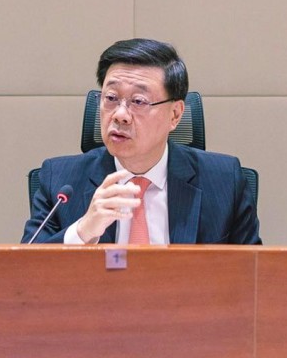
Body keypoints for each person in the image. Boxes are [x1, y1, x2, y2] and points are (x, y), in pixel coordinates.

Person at [22, 38, 261, 245]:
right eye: (111, 98)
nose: (120, 114)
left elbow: (255, 276)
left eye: (138, 101)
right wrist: (83, 230)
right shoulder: (60, 181)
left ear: (175, 115)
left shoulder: (224, 180)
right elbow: (24, 273)